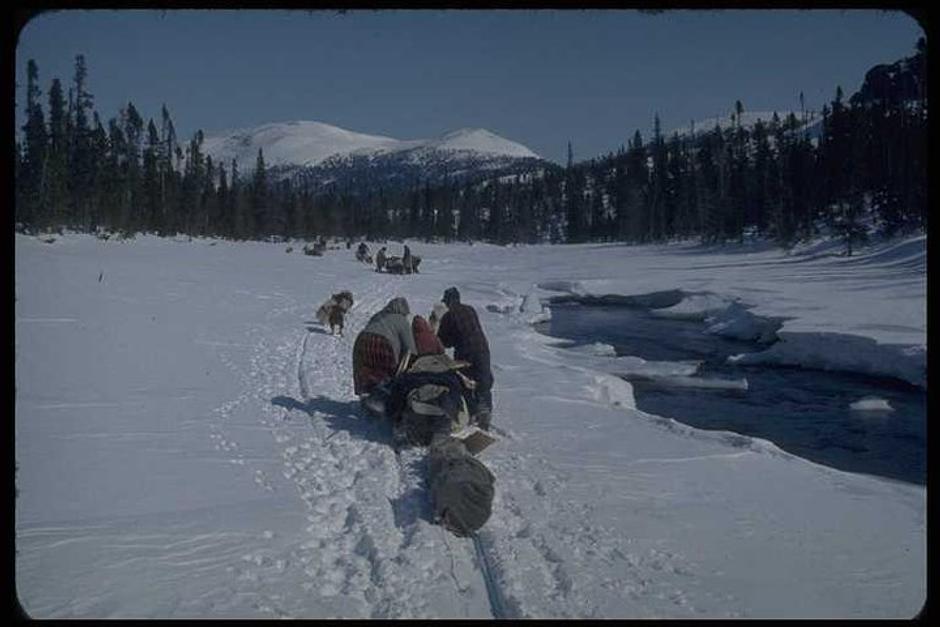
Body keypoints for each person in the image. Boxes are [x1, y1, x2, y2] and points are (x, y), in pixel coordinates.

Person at [437, 287, 493, 430]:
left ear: (449, 302)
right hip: (482, 349)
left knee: (464, 382)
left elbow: (443, 343)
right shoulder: (470, 309)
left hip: (465, 352)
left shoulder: (448, 317)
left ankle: (473, 412)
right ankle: (485, 410)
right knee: (483, 380)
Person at [352, 297, 418, 397]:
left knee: (367, 369)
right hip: (383, 343)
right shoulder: (401, 320)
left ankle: (367, 392)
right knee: (385, 372)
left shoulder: (378, 315)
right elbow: (410, 347)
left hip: (362, 340)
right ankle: (384, 395)